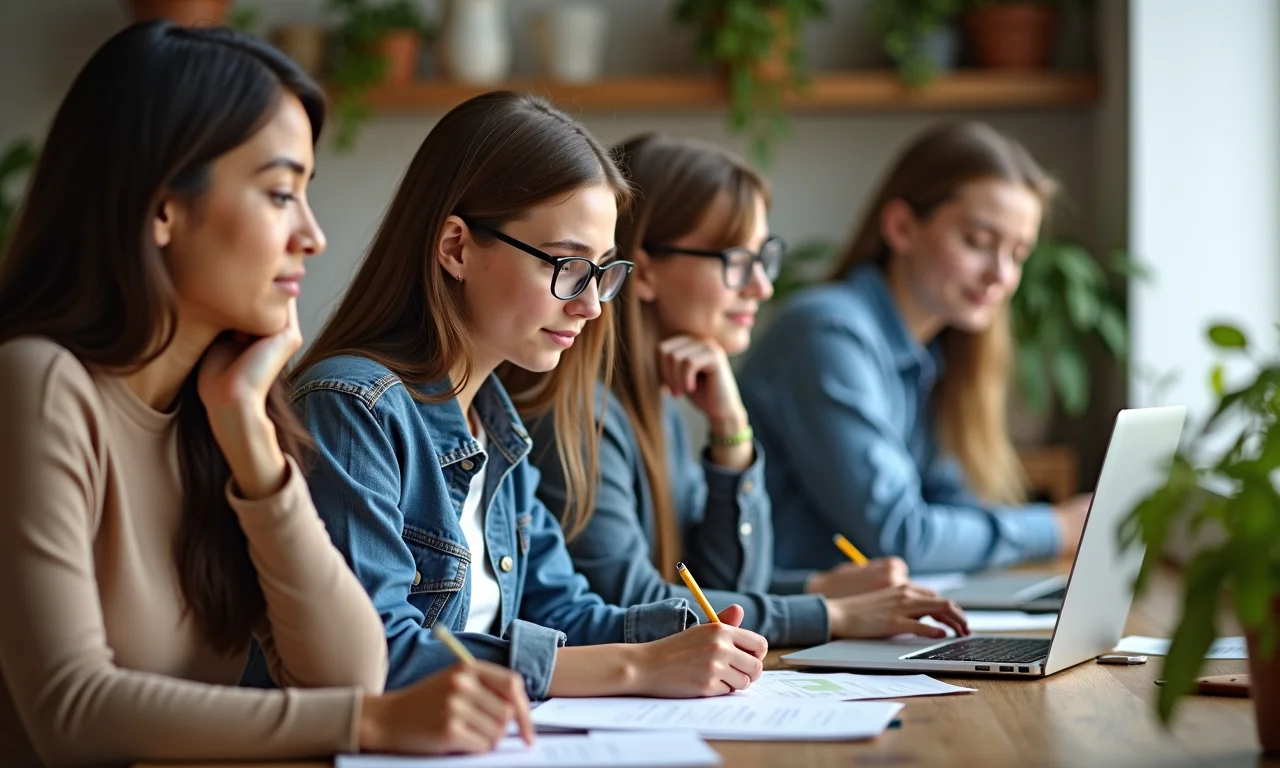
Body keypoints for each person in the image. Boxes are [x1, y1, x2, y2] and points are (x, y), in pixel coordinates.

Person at [0, 22, 534, 765]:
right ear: (162, 206)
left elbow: (348, 673)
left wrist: (252, 442)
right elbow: (70, 711)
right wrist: (369, 725)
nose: (312, 235)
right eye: (281, 193)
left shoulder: (218, 411)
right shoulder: (38, 385)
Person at [288, 92, 768, 703]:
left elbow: (561, 609)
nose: (591, 305)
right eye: (567, 266)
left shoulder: (495, 421)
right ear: (457, 248)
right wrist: (636, 670)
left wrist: (691, 636)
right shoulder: (354, 408)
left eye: (603, 272)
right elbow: (382, 651)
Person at [526, 133, 969, 650]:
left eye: (764, 259)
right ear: (643, 271)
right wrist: (831, 612)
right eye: (737, 261)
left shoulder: (655, 404)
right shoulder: (581, 416)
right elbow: (634, 602)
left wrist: (731, 434)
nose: (761, 286)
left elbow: (707, 577)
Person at [738, 121, 1092, 576]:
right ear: (901, 228)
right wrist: (1059, 527)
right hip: (781, 632)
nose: (1002, 275)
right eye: (979, 243)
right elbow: (901, 535)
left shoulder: (934, 353)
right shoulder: (827, 334)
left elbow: (953, 504)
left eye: (1018, 254)